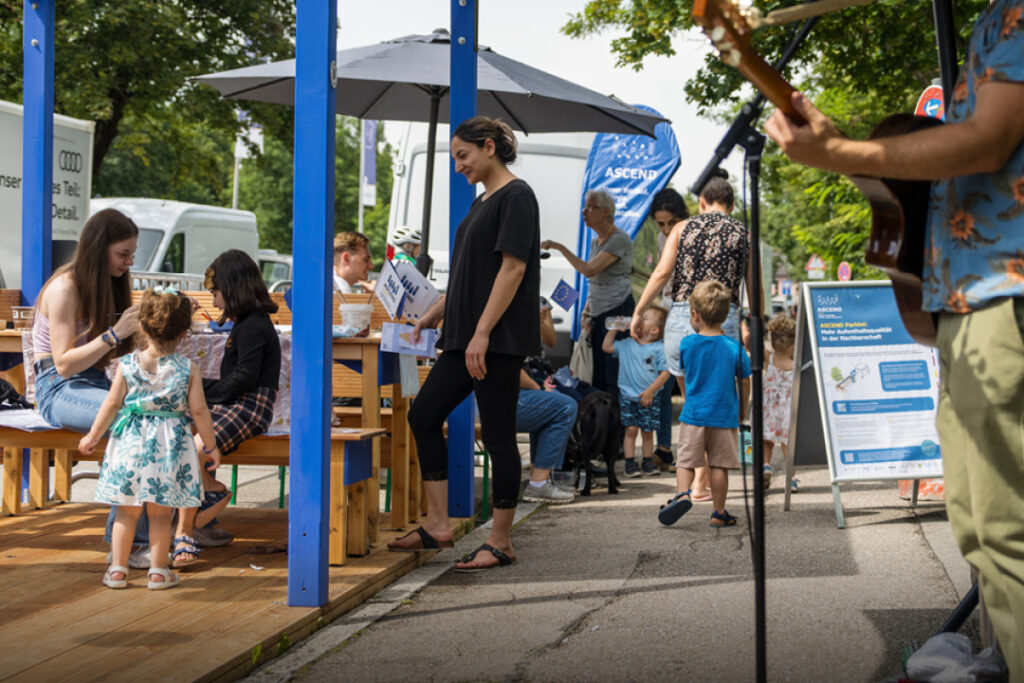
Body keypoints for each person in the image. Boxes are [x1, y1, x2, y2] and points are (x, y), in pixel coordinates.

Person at [765, 4, 1024, 672]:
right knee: (979, 525)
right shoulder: (997, 17)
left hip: (1005, 295)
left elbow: (989, 140)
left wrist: (839, 152)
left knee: (1006, 531)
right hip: (970, 301)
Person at [387, 116, 540, 573]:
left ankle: (500, 541)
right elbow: (470, 276)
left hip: (494, 339)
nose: (458, 165)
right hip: (466, 337)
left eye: (463, 155)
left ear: (489, 147)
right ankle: (438, 524)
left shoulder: (517, 196)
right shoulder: (483, 202)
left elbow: (512, 270)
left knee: (496, 434)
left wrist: (482, 332)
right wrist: (433, 314)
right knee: (424, 414)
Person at [78, 288, 221, 590]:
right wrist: (210, 446)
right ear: (184, 332)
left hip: (130, 441)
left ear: (142, 327)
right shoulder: (188, 368)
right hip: (170, 446)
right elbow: (199, 410)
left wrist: (93, 435)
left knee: (126, 511)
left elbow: (112, 404)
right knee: (160, 512)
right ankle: (158, 572)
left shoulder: (127, 364)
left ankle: (117, 570)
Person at [31, 208, 150, 567]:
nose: (130, 262)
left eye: (132, 254)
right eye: (123, 254)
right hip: (58, 386)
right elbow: (65, 362)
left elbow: (120, 350)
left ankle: (173, 527)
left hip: (94, 383)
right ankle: (129, 542)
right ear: (100, 250)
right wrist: (115, 333)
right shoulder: (65, 287)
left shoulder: (108, 284)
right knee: (134, 425)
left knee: (158, 417)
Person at [632, 174, 751, 501]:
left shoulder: (683, 228)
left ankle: (695, 483)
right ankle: (705, 484)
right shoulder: (743, 232)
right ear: (731, 203)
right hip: (721, 318)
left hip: (683, 319)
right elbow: (753, 289)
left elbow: (661, 272)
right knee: (715, 405)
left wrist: (640, 309)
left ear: (701, 202)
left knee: (695, 404)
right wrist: (752, 323)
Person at [174, 249, 283, 557]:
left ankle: (208, 500)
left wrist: (202, 391)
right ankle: (203, 516)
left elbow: (244, 378)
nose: (213, 299)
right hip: (239, 403)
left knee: (195, 448)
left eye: (215, 291)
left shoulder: (253, 326)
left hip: (250, 407)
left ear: (233, 288)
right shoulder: (248, 323)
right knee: (184, 438)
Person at [658, 281, 750, 528]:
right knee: (720, 464)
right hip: (724, 415)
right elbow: (745, 381)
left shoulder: (687, 344)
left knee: (686, 460)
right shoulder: (734, 348)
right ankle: (718, 512)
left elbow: (687, 375)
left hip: (694, 413)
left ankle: (682, 494)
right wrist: (742, 410)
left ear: (695, 315)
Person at [542, 189, 634, 396]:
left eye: (589, 207)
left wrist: (559, 247)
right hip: (599, 313)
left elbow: (589, 269)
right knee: (597, 373)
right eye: (584, 207)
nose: (584, 212)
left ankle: (615, 423)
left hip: (618, 311)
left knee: (614, 371)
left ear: (605, 212)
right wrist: (587, 311)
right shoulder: (595, 242)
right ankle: (600, 420)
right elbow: (593, 280)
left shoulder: (619, 239)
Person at [648, 188, 691, 470]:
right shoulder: (666, 238)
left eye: (669, 222)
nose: (664, 229)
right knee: (667, 379)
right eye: (660, 223)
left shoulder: (689, 233)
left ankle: (692, 455)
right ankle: (665, 447)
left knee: (686, 383)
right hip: (668, 309)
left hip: (687, 310)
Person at [518, 300, 578, 504]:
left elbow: (550, 339)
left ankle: (539, 479)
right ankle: (538, 483)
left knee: (554, 404)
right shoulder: (507, 312)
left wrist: (536, 321)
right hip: (496, 398)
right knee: (565, 406)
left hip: (493, 395)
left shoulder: (535, 304)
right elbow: (507, 367)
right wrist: (537, 388)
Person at [602, 305, 670, 478]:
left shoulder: (659, 349)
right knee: (630, 430)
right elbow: (606, 347)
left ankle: (648, 461)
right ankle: (630, 462)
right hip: (627, 396)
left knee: (647, 431)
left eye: (644, 318)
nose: (638, 320)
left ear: (654, 330)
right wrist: (614, 328)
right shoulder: (626, 345)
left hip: (649, 397)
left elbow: (666, 373)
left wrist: (651, 391)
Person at [760, 314, 795, 492]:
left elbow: (752, 343)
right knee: (788, 443)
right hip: (787, 409)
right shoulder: (794, 364)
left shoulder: (769, 357)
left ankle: (766, 465)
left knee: (767, 439)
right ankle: (792, 477)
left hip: (769, 408)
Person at [332, 231, 375, 295]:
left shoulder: (332, 285)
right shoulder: (340, 290)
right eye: (365, 260)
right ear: (346, 259)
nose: (371, 266)